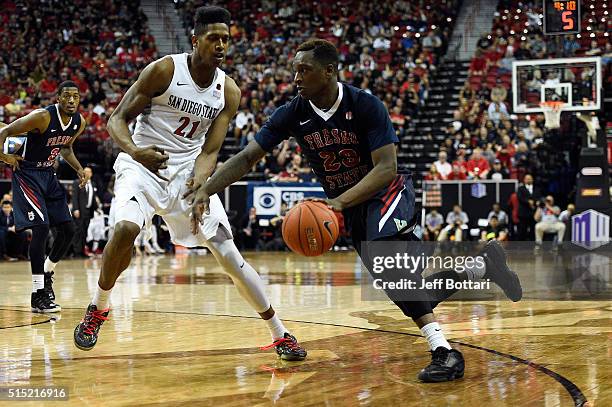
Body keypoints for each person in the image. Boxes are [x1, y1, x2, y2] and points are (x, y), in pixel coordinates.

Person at [186, 39, 522, 382]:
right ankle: (481, 267)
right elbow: (246, 158)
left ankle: (445, 352)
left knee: (395, 275)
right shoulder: (293, 112)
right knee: (405, 291)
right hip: (353, 208)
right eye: (295, 71)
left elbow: (386, 168)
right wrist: (205, 191)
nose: (296, 78)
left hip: (387, 194)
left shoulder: (365, 105)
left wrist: (339, 202)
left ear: (330, 71)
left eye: (305, 70)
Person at [73, 6, 306, 361]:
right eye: (213, 38)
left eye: (226, 39)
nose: (221, 45)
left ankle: (280, 333)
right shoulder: (165, 70)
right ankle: (98, 308)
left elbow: (210, 150)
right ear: (195, 39)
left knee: (228, 254)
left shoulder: (227, 91)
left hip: (186, 176)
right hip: (142, 167)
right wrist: (136, 151)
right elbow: (117, 120)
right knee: (123, 230)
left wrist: (201, 185)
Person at [0, 81, 85, 313]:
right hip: (27, 173)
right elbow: (4, 131)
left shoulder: (79, 122)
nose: (71, 100)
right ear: (57, 98)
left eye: (75, 97)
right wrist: (5, 158)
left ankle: (47, 271)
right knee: (41, 228)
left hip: (49, 174)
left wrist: (78, 168)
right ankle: (38, 294)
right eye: (66, 96)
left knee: (68, 229)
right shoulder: (42, 117)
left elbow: (65, 148)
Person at [72, 167, 98, 257]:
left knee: (85, 231)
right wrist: (75, 209)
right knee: (78, 231)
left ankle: (82, 250)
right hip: (80, 211)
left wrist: (97, 208)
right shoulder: (77, 182)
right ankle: (76, 252)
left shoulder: (93, 184)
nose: (87, 174)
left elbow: (93, 199)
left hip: (88, 211)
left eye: (88, 172)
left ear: (91, 174)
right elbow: (74, 197)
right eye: (85, 172)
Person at [517, 174, 540, 240]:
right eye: (527, 179)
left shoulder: (537, 188)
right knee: (522, 230)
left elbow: (538, 198)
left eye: (530, 178)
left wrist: (535, 202)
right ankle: (521, 246)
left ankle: (532, 245)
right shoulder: (520, 188)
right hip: (523, 213)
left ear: (532, 180)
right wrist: (528, 201)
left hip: (534, 213)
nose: (528, 180)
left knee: (533, 230)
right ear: (524, 180)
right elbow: (520, 198)